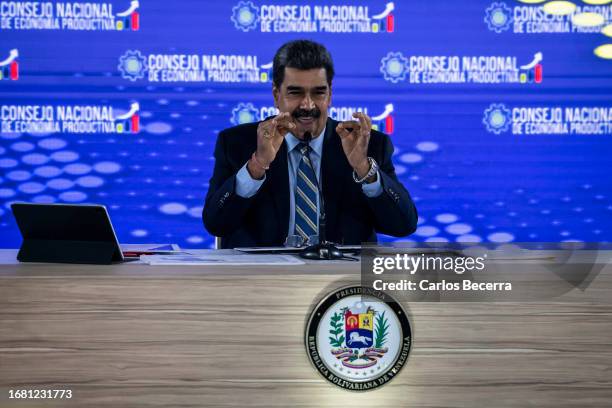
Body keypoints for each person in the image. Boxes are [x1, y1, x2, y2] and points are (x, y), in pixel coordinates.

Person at [203, 40, 417, 248]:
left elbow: (403, 226)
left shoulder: (367, 145)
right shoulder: (238, 143)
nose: (307, 105)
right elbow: (215, 223)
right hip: (263, 279)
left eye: (318, 92)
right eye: (295, 92)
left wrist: (363, 169)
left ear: (330, 94)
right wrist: (257, 165)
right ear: (276, 95)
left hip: (340, 280)